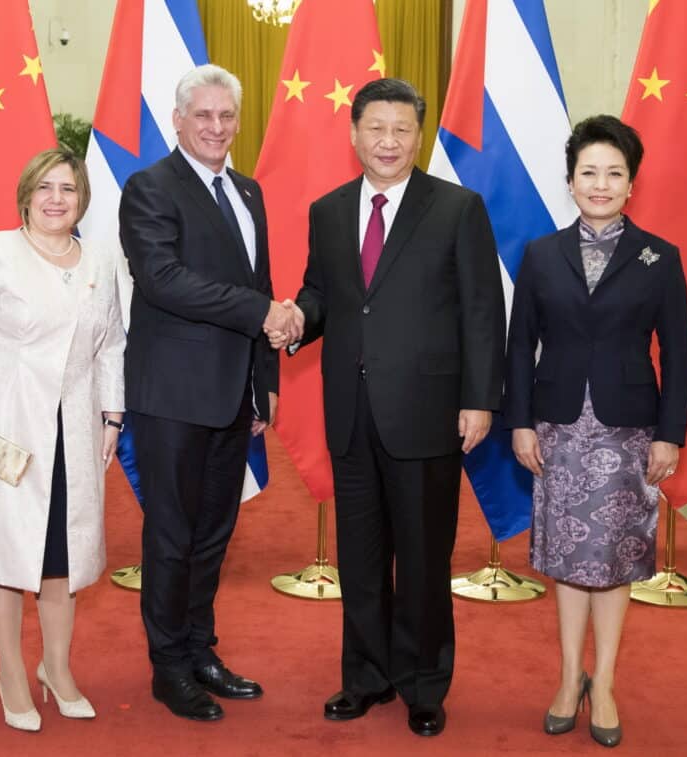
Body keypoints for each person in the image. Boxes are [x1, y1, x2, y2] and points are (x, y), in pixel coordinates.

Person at [276, 78, 506, 737]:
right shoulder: (329, 209)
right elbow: (324, 293)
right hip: (350, 409)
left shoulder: (457, 208)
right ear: (353, 134)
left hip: (429, 410)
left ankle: (424, 683)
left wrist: (479, 400)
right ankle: (366, 676)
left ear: (418, 135)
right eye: (375, 127)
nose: (387, 140)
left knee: (425, 556)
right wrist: (299, 319)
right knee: (362, 556)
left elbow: (482, 313)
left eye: (401, 129)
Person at [505, 115, 687, 748]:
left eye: (615, 173)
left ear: (631, 183)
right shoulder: (539, 254)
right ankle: (567, 679)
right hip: (556, 428)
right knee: (565, 558)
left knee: (612, 561)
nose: (602, 183)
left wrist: (671, 433)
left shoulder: (658, 257)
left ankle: (604, 682)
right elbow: (517, 346)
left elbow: (681, 353)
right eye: (590, 172)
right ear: (571, 180)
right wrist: (521, 421)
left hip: (627, 432)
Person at [119, 64, 293, 722]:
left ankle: (200, 649)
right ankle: (168, 666)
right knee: (171, 534)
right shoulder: (149, 188)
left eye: (226, 117)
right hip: (172, 394)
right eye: (203, 116)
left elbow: (262, 279)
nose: (216, 128)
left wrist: (264, 384)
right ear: (178, 120)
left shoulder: (247, 191)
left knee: (215, 533)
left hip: (233, 396)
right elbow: (163, 280)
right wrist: (261, 312)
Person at [0, 148, 126, 732]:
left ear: (82, 198)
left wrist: (112, 416)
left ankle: (57, 669)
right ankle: (12, 672)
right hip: (5, 426)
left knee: (61, 556)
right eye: (45, 188)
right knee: (6, 552)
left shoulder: (99, 257)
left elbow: (111, 342)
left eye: (67, 188)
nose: (56, 199)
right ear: (26, 195)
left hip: (76, 425)